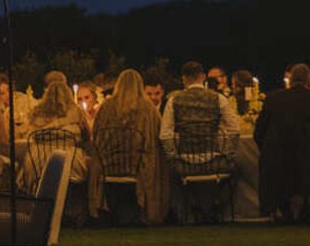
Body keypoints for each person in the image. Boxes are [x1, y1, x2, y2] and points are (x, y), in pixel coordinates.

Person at [254, 64, 310, 223]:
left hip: (277, 159)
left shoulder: (272, 99)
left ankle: (282, 209)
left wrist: (266, 150)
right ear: (308, 81)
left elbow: (259, 132)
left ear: (290, 80)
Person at [89, 68, 167, 225]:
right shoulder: (148, 109)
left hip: (109, 166)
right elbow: (157, 138)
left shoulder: (105, 107)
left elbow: (96, 136)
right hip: (137, 167)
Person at [160, 61, 242, 168]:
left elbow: (165, 135)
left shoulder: (173, 100)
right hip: (213, 160)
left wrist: (173, 158)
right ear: (203, 77)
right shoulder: (219, 99)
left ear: (183, 79)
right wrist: (227, 155)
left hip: (185, 161)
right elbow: (234, 130)